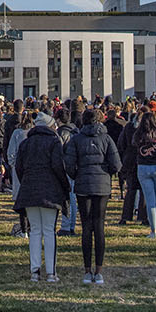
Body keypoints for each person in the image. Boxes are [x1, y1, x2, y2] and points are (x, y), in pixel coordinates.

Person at [64, 109, 122, 285]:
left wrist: (77, 175)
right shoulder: (106, 138)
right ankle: (99, 270)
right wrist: (106, 174)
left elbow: (68, 164)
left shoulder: (77, 139)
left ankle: (87, 270)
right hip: (102, 185)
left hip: (83, 184)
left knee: (86, 227)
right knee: (99, 226)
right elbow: (116, 164)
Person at [14, 110, 68, 283]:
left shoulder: (26, 143)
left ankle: (35, 271)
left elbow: (18, 167)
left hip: (30, 189)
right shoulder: (54, 142)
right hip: (50, 190)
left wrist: (26, 181)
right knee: (49, 231)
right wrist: (64, 186)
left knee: (35, 230)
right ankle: (51, 272)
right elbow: (58, 167)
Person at [134, 113, 156, 240]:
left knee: (149, 200)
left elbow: (134, 147)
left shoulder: (138, 134)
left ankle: (153, 231)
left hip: (143, 167)